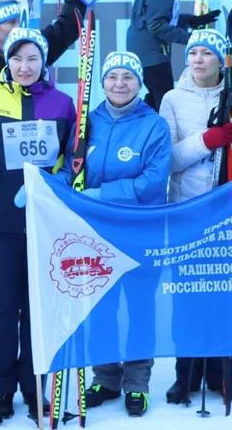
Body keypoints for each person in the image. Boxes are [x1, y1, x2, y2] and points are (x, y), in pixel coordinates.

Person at [159, 29, 232, 406]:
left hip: (228, 211)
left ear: (221, 59)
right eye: (192, 52)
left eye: (206, 53)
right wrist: (208, 141)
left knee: (225, 296)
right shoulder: (172, 99)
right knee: (187, 296)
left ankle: (222, 371)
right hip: (187, 209)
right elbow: (170, 159)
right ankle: (185, 373)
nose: (197, 59)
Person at [52, 51, 170, 417]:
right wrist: (53, 188)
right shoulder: (87, 121)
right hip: (95, 231)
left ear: (140, 82)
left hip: (139, 228)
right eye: (113, 77)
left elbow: (153, 181)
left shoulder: (154, 125)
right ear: (102, 82)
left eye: (128, 77)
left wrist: (103, 194)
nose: (120, 84)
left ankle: (137, 382)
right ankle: (106, 377)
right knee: (100, 305)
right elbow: (70, 164)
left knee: (138, 308)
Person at [0, 28, 76, 424]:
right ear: (7, 62)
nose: (24, 67)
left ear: (44, 61)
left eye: (32, 59)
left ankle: (35, 391)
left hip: (45, 223)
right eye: (16, 59)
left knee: (37, 312)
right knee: (0, 309)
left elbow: (71, 161)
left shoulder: (63, 104)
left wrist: (59, 181)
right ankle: (2, 392)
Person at [125, 0, 221, 110]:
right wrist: (193, 39)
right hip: (151, 54)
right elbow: (156, 26)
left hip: (144, 51)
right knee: (166, 100)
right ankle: (161, 133)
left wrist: (193, 21)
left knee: (157, 97)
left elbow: (161, 18)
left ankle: (144, 125)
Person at [0, 0, 85, 100]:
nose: (18, 27)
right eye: (11, 22)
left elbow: (68, 28)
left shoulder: (35, 44)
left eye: (19, 21)